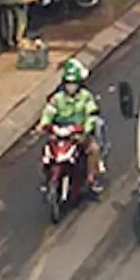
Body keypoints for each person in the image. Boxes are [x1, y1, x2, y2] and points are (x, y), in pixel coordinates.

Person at [39, 59, 103, 196]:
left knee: (93, 149)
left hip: (78, 134)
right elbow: (49, 111)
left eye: (73, 84)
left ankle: (91, 179)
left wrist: (86, 129)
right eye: (68, 84)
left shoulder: (85, 97)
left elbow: (91, 113)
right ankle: (48, 178)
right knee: (47, 151)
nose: (71, 87)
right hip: (60, 133)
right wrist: (44, 124)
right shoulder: (58, 98)